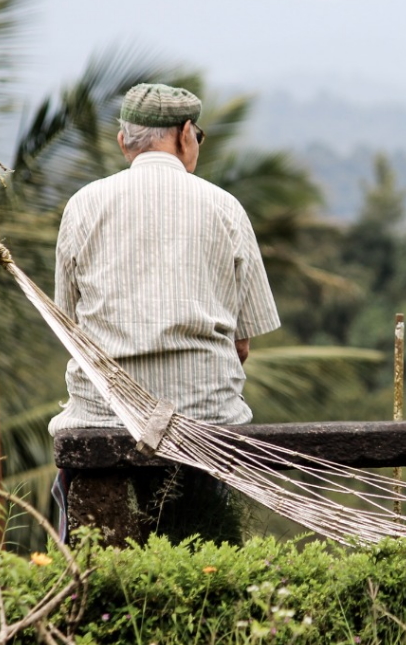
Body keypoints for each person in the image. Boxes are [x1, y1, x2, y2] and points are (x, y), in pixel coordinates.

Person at [48, 83, 281, 542]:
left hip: (101, 415)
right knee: (207, 526)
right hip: (204, 417)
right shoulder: (225, 207)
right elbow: (242, 344)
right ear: (186, 134)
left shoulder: (82, 206)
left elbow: (67, 326)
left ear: (123, 142)